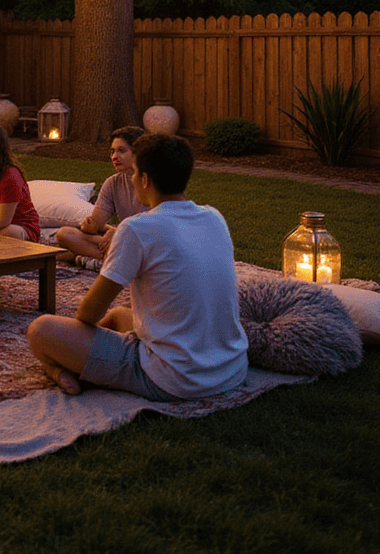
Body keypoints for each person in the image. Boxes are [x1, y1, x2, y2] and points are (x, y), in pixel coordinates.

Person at [26, 134, 248, 401]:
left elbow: (88, 314)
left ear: (145, 180)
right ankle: (68, 364)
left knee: (41, 331)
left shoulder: (137, 228)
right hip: (231, 369)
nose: (130, 179)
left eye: (135, 174)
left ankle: (55, 368)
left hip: (176, 378)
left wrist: (78, 342)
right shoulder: (214, 217)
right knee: (120, 314)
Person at [55, 125, 148, 265]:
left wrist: (118, 232)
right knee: (65, 235)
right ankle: (117, 260)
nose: (115, 157)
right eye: (112, 151)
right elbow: (96, 223)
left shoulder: (153, 180)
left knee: (63, 254)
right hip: (122, 241)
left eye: (121, 151)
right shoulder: (113, 183)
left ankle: (100, 259)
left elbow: (157, 227)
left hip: (148, 242)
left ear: (138, 153)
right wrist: (90, 226)